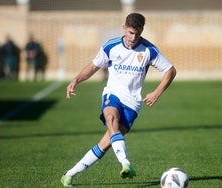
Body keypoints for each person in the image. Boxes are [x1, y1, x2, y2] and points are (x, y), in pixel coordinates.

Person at [61, 13, 177, 187]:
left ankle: (69, 175)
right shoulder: (111, 46)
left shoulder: (148, 50)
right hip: (112, 94)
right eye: (130, 33)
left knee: (106, 143)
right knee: (111, 119)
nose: (133, 37)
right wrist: (75, 80)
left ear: (142, 31)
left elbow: (170, 70)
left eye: (137, 34)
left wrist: (156, 93)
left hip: (133, 103)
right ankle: (125, 163)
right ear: (124, 28)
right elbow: (94, 66)